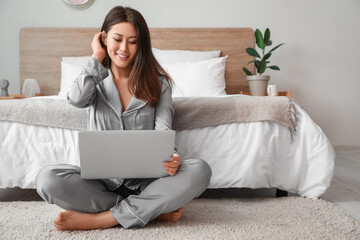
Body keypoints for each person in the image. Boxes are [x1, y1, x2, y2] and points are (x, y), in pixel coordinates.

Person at [35, 6, 212, 230]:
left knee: (200, 170)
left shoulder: (159, 83)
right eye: (117, 39)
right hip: (101, 184)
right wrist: (95, 58)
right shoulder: (94, 78)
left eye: (133, 41)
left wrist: (172, 157)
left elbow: (164, 132)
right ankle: (151, 212)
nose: (123, 48)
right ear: (103, 38)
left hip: (148, 183)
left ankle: (103, 219)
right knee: (47, 179)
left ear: (142, 45)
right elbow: (76, 99)